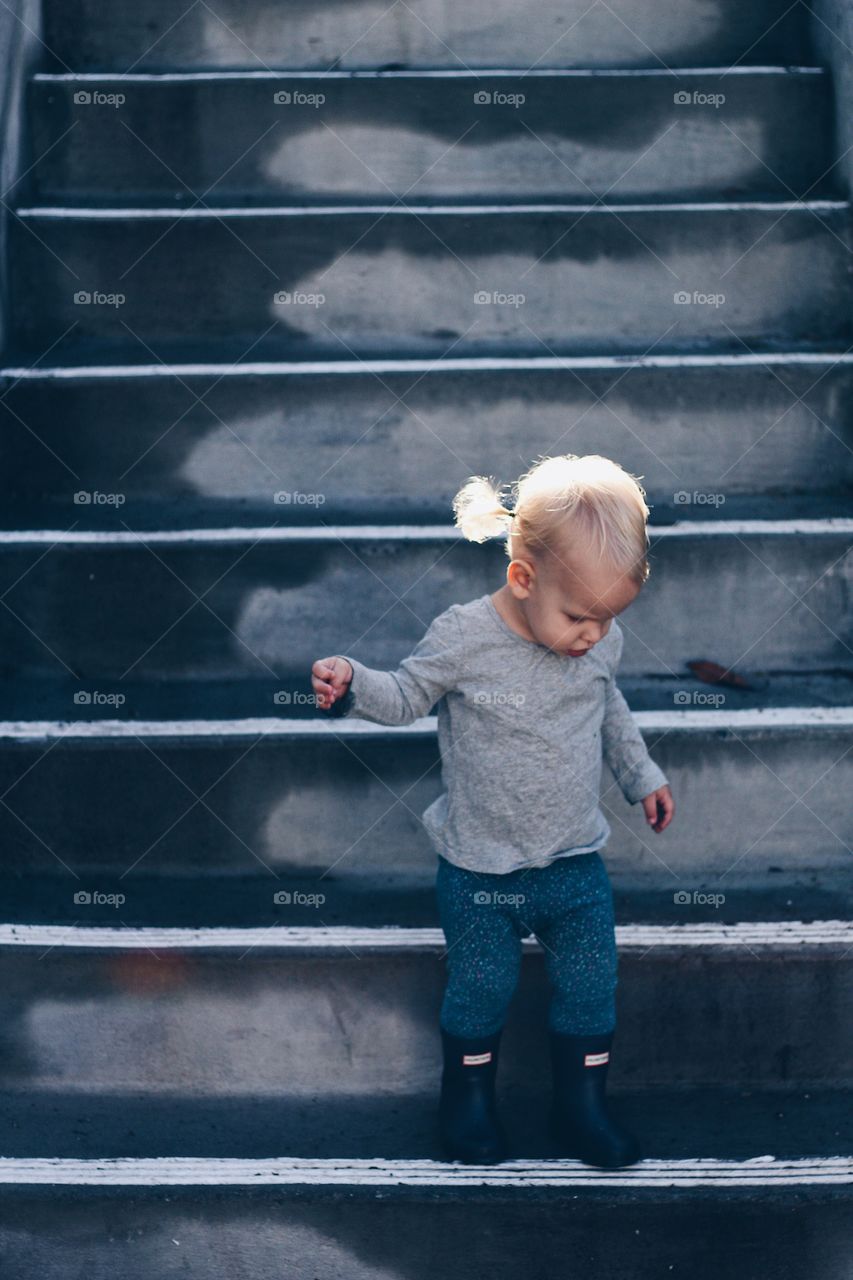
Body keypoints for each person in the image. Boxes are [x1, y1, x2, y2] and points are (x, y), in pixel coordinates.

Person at [311, 453, 675, 1167]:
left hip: (572, 861)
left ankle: (581, 1108)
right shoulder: (463, 636)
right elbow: (407, 695)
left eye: (606, 619)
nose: (592, 636)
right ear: (521, 578)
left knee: (591, 983)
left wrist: (642, 775)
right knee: (481, 987)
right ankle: (468, 1103)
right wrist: (354, 681)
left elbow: (608, 708)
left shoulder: (597, 637)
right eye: (578, 617)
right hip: (481, 868)